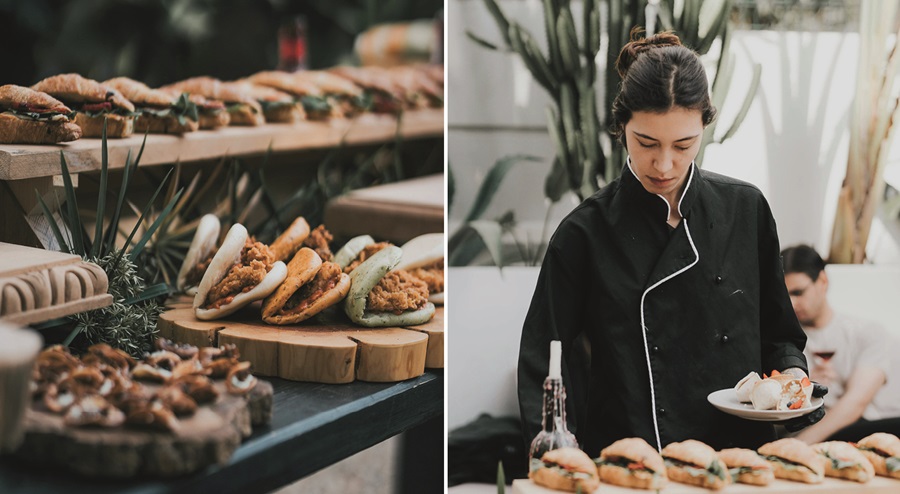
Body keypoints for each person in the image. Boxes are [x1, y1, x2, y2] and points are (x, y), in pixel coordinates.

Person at [517, 29, 822, 456]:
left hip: (737, 458)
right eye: (646, 143)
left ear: (704, 127)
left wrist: (793, 378)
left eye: (684, 145)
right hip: (631, 460)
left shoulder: (745, 210)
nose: (664, 164)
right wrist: (559, 457)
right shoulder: (583, 233)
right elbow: (543, 362)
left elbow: (780, 336)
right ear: (622, 127)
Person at [781, 244, 900, 443]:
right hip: (808, 428)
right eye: (786, 296)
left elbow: (857, 402)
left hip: (864, 428)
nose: (792, 303)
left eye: (799, 293)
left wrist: (800, 444)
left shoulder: (867, 333)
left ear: (823, 281)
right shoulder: (781, 342)